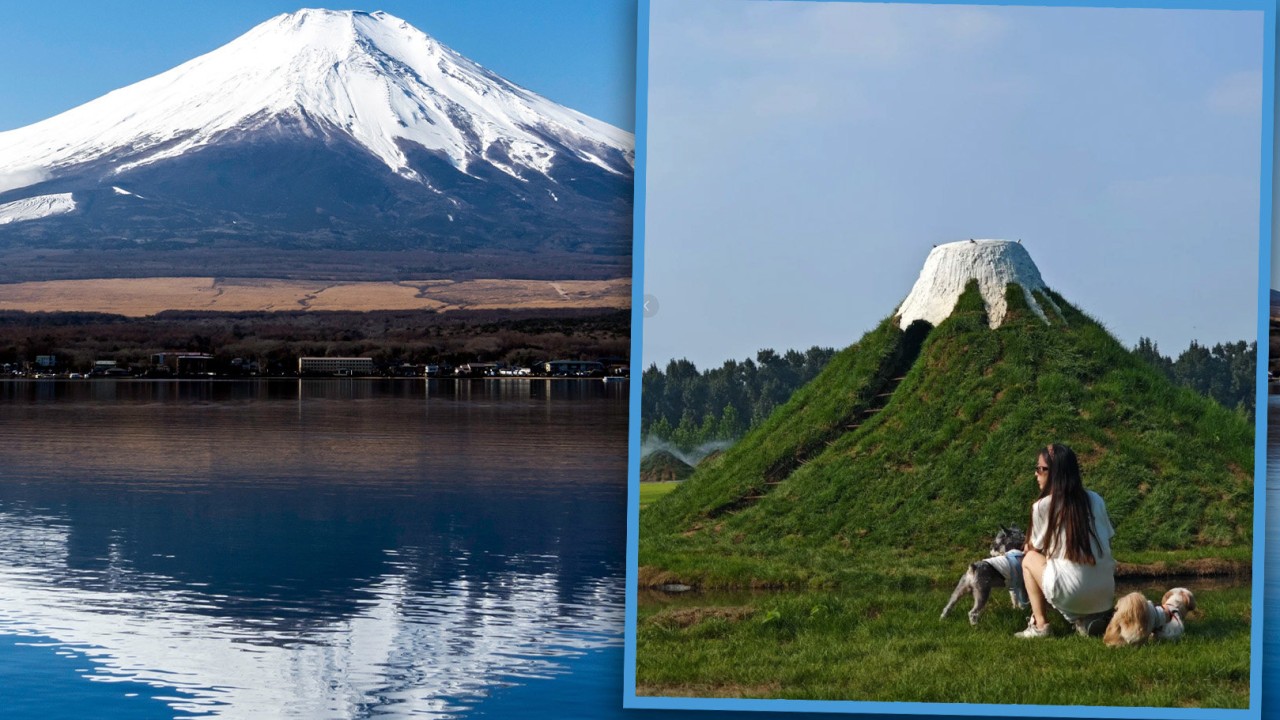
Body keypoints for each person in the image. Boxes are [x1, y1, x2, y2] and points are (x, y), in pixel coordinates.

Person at [1016, 443, 1115, 638]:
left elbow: (1033, 548)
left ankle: (1040, 625)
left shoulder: (1043, 506)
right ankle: (1086, 620)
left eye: (1040, 469)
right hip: (1106, 592)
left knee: (1029, 560)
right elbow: (1108, 542)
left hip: (1072, 591)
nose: (1036, 474)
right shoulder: (1096, 499)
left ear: (1055, 473)